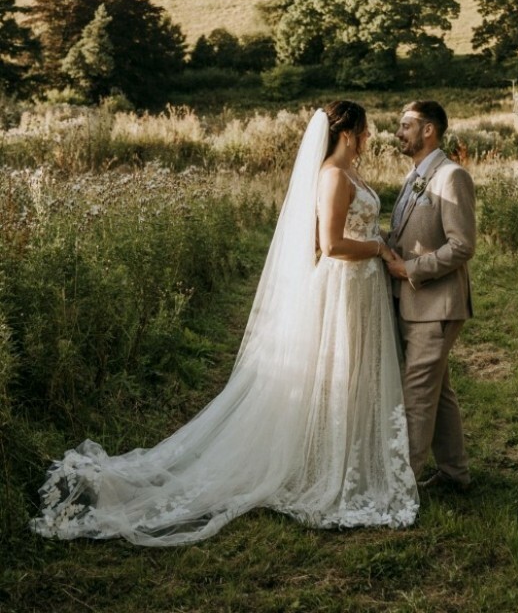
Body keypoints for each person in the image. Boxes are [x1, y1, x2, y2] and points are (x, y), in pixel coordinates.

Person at [31, 101, 419, 546]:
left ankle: (348, 453)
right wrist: (379, 250)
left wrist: (377, 244)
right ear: (349, 133)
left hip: (361, 287)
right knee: (342, 370)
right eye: (366, 131)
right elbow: (329, 244)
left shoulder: (350, 173)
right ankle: (330, 465)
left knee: (354, 372)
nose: (371, 137)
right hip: (345, 288)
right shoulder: (332, 175)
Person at [386, 100, 475, 490]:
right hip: (413, 302)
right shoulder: (413, 178)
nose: (398, 132)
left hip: (436, 304)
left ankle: (401, 488)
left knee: (417, 395)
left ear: (428, 130)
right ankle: (455, 475)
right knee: (438, 394)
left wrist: (412, 269)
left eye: (406, 125)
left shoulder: (451, 176)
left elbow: (462, 245)